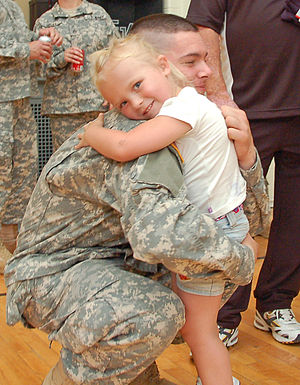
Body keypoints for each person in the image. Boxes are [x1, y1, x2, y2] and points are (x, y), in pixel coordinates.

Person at [4, 14, 265, 385]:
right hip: (54, 271)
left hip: (117, 261)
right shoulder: (143, 133)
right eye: (190, 62)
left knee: (195, 288)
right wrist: (240, 257)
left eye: (207, 58)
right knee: (160, 310)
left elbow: (252, 219)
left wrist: (248, 156)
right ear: (160, 65)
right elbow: (158, 235)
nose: (207, 71)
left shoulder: (186, 118)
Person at [75, 33, 253, 385]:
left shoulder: (184, 107)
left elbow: (126, 146)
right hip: (222, 221)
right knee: (198, 325)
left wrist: (92, 132)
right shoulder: (186, 103)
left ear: (163, 65)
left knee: (199, 331)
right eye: (123, 102)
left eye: (138, 85)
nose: (137, 103)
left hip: (212, 230)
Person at [187, 0, 300, 346]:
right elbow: (203, 26)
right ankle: (223, 314)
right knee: (231, 215)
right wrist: (219, 94)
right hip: (245, 111)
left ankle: (276, 302)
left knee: (296, 215)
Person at [0, 0, 62, 256]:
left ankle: (11, 247)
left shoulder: (10, 7)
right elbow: (19, 47)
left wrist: (42, 36)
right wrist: (27, 49)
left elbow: (16, 38)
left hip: (20, 98)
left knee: (22, 174)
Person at [33, 0, 119, 151]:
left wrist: (115, 92)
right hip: (63, 109)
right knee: (65, 161)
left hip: (98, 104)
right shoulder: (45, 22)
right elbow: (37, 68)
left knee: (101, 158)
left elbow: (116, 55)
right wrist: (61, 59)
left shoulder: (99, 15)